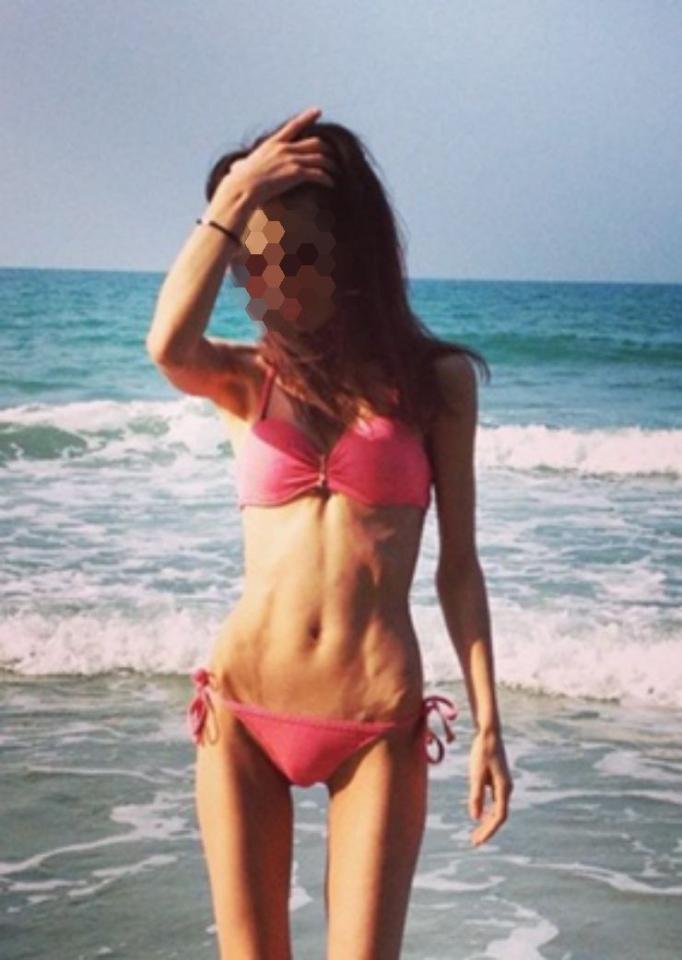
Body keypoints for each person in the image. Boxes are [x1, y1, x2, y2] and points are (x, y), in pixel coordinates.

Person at [146, 105, 513, 960]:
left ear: (348, 251)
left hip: (375, 724)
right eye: (251, 263)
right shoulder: (243, 379)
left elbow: (458, 568)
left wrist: (489, 723)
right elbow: (166, 343)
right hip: (242, 713)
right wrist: (234, 197)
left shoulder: (437, 385)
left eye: (292, 258)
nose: (267, 284)